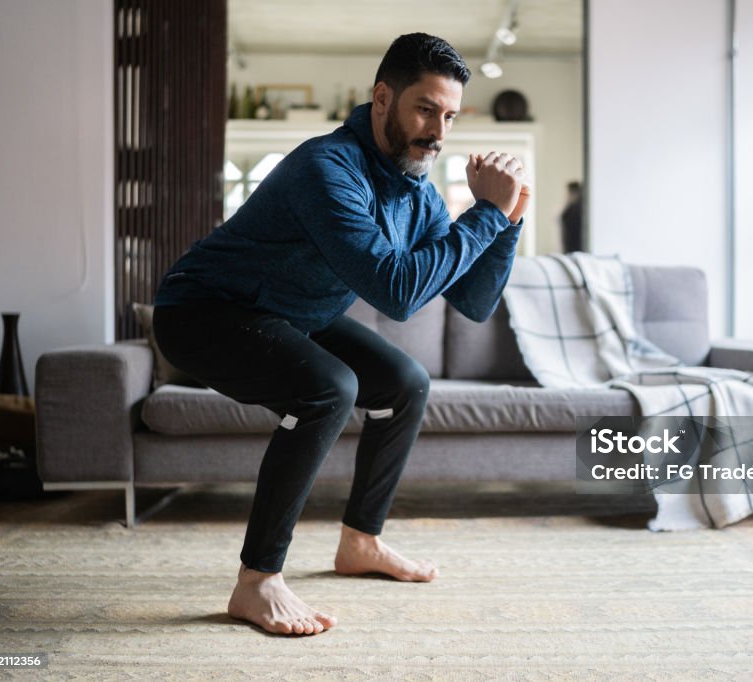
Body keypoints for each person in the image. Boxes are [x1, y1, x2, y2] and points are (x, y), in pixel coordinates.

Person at [151, 33, 529, 636]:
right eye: (425, 109)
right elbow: (398, 292)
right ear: (383, 98)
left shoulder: (418, 193)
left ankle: (361, 543)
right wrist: (483, 214)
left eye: (450, 116)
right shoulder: (325, 169)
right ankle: (257, 582)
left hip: (292, 312)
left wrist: (506, 222)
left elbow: (473, 303)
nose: (438, 130)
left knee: (405, 382)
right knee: (329, 387)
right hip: (204, 310)